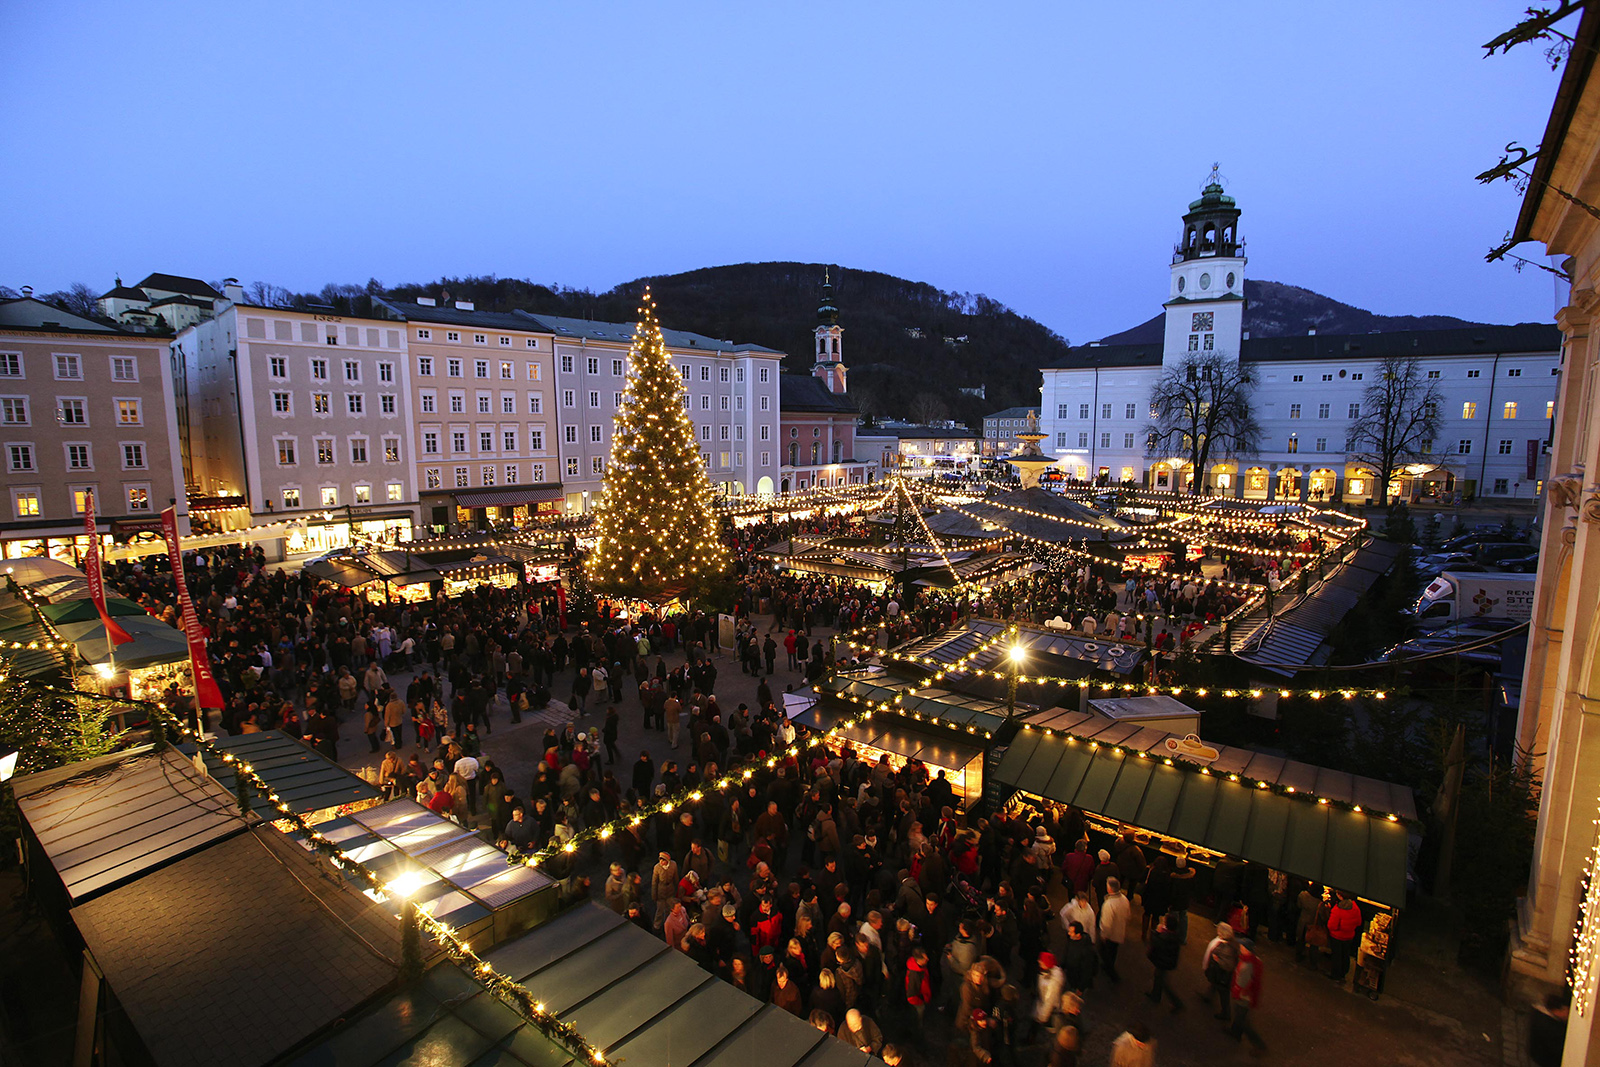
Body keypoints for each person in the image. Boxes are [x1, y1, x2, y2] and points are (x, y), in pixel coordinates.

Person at [1228, 938, 1267, 1055]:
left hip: (1244, 996)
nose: (1240, 948)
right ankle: (1235, 1033)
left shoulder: (1247, 964)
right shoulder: (1254, 961)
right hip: (1245, 995)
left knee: (1243, 1021)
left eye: (1242, 946)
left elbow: (1243, 982)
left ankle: (1259, 1046)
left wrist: (1237, 991)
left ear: (1246, 949)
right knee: (1239, 1015)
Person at [1145, 910, 1184, 1012]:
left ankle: (1177, 1003)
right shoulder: (1174, 935)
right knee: (1158, 977)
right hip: (1166, 961)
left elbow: (1155, 943)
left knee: (1163, 982)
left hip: (1163, 961)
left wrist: (1156, 932)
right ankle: (1155, 995)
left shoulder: (1165, 937)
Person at [1201, 922, 1239, 1022]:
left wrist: (1217, 960)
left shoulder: (1226, 948)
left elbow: (1228, 965)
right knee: (1214, 984)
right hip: (1218, 974)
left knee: (1223, 993)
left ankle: (1226, 1013)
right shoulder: (1231, 943)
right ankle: (1208, 996)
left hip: (1222, 976)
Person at [1099, 876, 1130, 981]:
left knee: (1107, 952)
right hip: (1119, 932)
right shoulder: (1124, 899)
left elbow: (1106, 923)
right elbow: (1128, 915)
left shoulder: (1109, 904)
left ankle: (1111, 973)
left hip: (1110, 935)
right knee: (1113, 952)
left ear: (1109, 889)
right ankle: (1109, 966)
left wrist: (1103, 935)